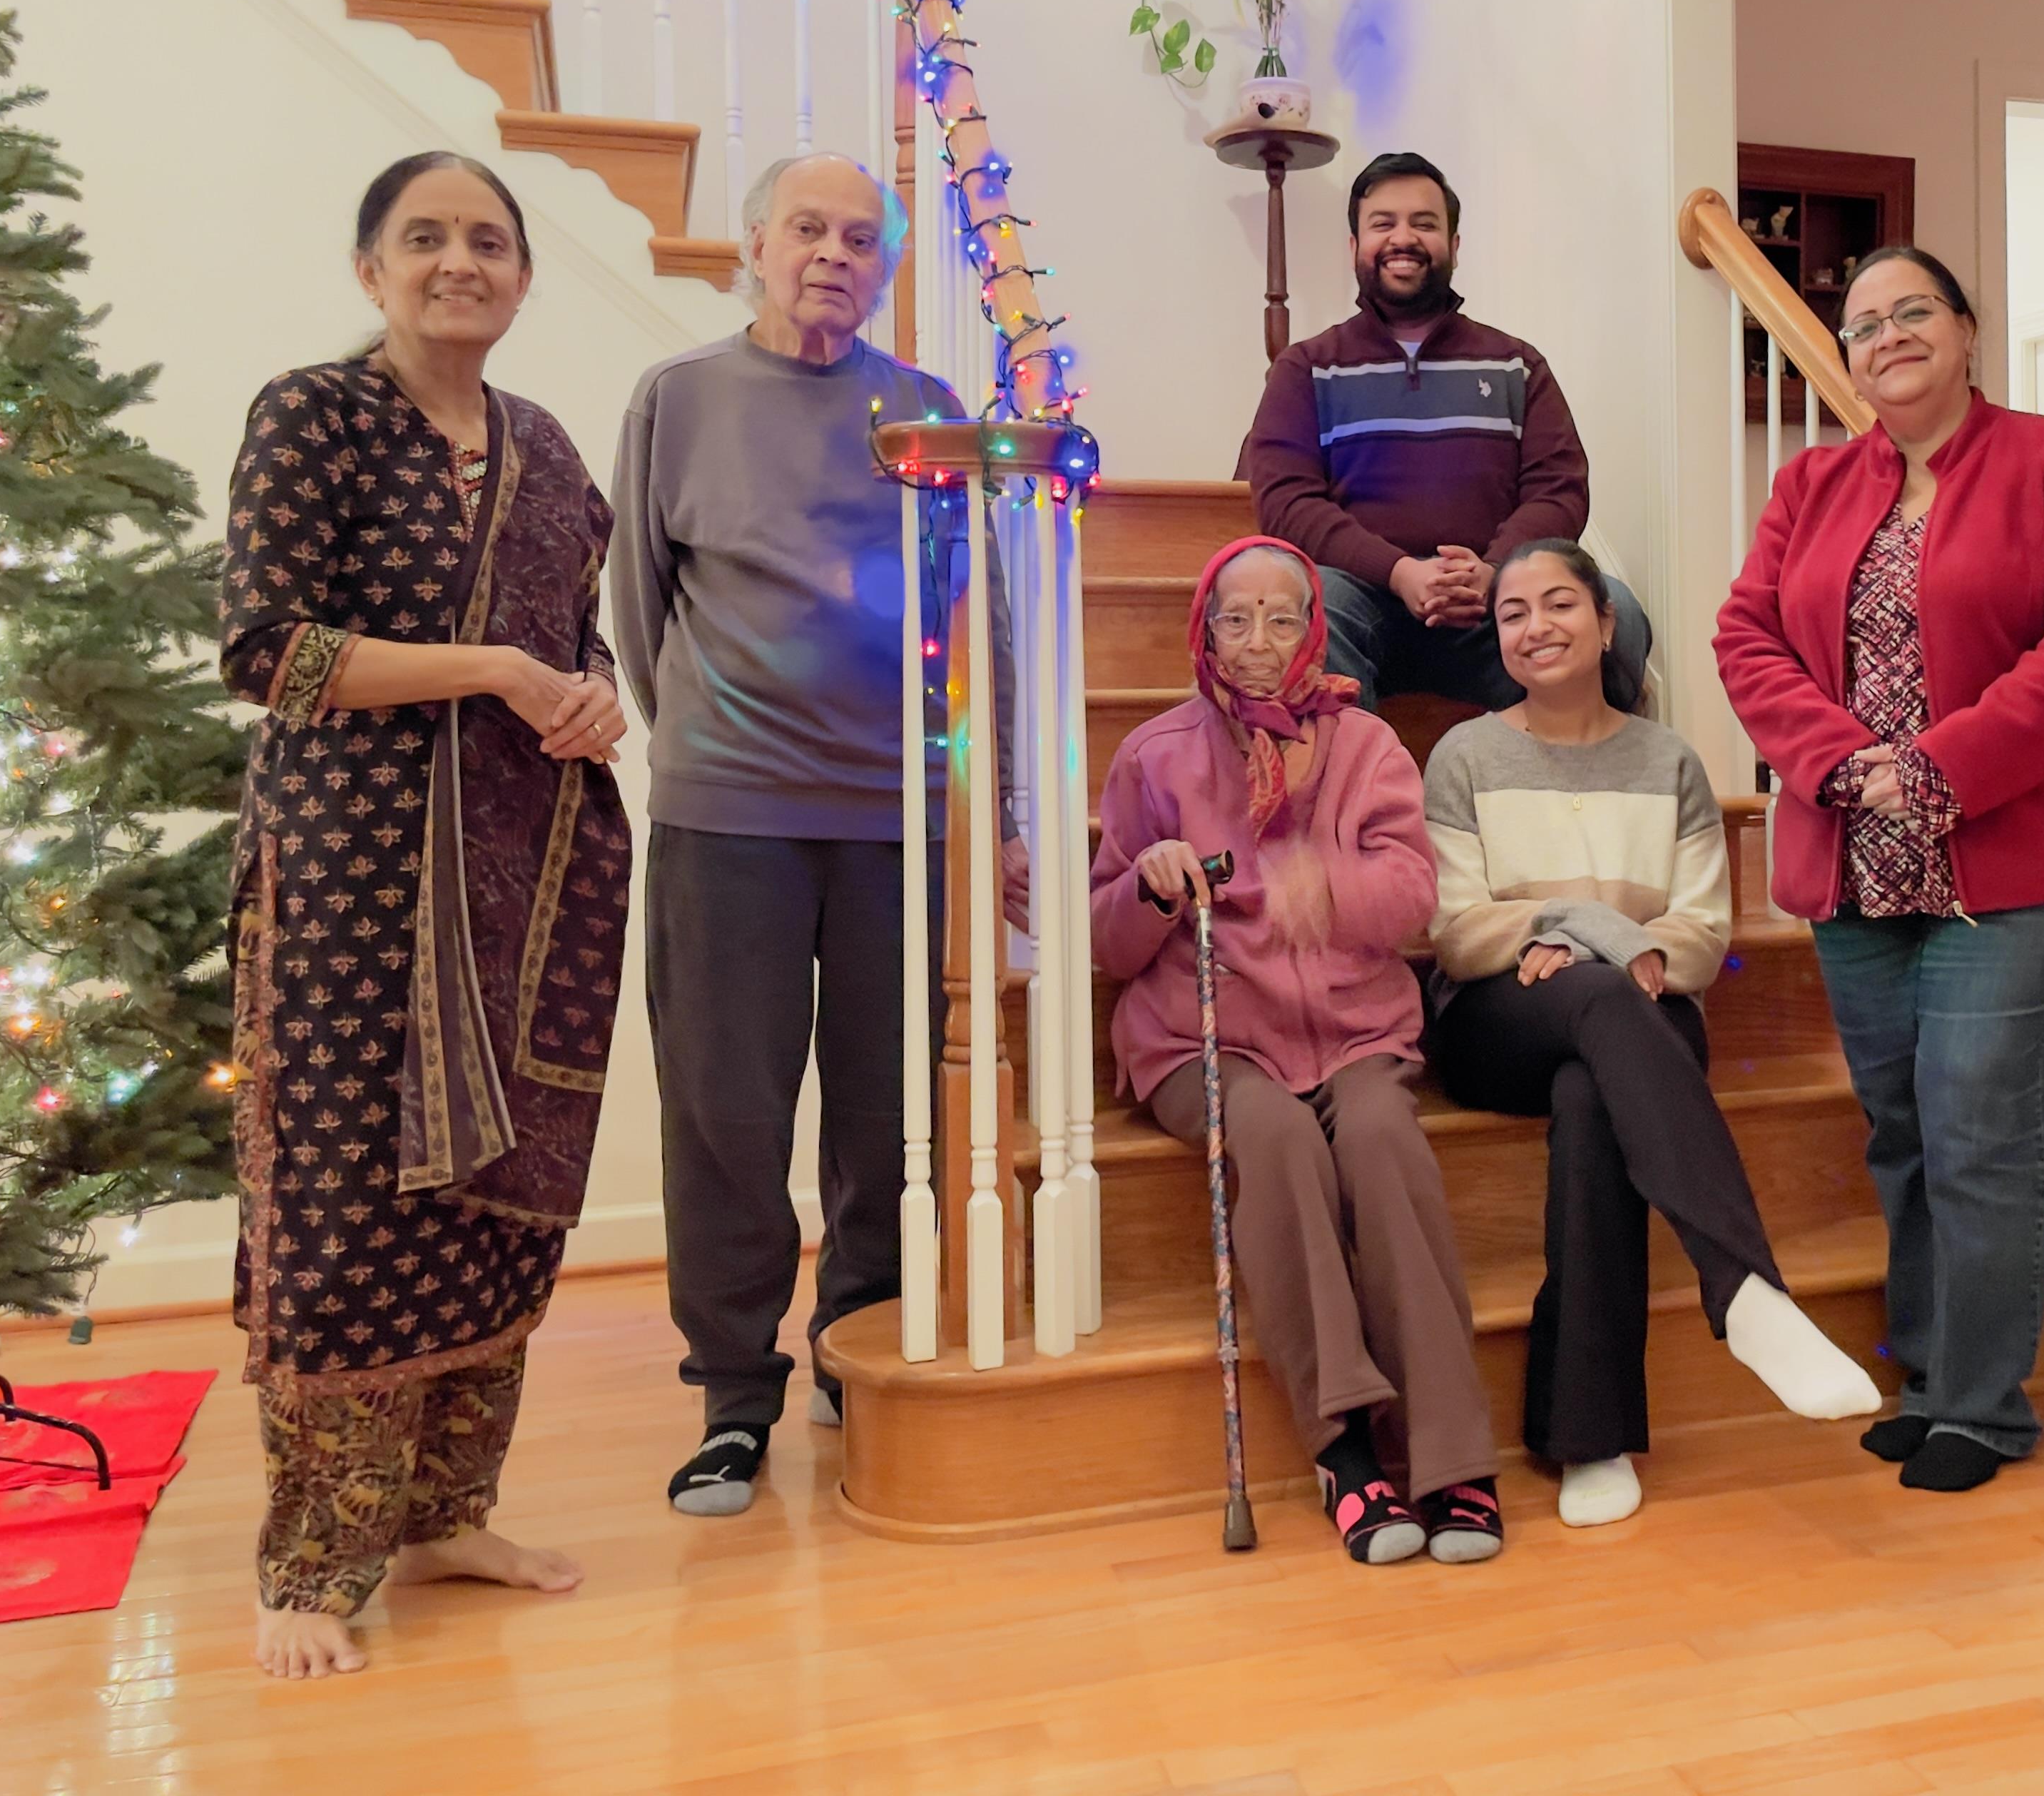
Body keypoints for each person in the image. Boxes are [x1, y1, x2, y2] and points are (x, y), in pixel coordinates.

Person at [220, 152, 630, 1679]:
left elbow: (566, 643)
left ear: (522, 276)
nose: (460, 262)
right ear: (370, 268)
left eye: (489, 241)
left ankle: (447, 1514)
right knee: (341, 1197)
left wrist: (587, 701)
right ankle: (317, 1562)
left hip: (524, 872)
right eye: (425, 238)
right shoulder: (310, 415)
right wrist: (498, 675)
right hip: (352, 873)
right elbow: (271, 652)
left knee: (494, 1190)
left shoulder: (543, 443)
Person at [610, 152, 1027, 1517]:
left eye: (863, 236)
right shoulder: (679, 399)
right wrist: (710, 747)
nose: (834, 254)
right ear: (754, 242)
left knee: (883, 1109)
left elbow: (983, 620)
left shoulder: (925, 411)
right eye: (809, 227)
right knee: (726, 1111)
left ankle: (859, 1342)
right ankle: (734, 1395)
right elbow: (640, 608)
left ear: (888, 264)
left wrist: (996, 800)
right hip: (726, 816)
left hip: (895, 825)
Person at [1714, 249, 2044, 1493]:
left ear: (1965, 329)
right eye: (1863, 324)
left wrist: (1940, 764)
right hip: (1854, 858)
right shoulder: (1810, 481)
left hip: (2009, 860)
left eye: (1914, 313)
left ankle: (1983, 1403)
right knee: (1901, 1128)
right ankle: (1927, 1375)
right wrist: (1842, 761)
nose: (1887, 336)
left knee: (1977, 1122)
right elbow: (1745, 637)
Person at [1423, 540, 1879, 1527]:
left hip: (1640, 1004)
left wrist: (1588, 941)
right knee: (1597, 1004)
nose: (1535, 626)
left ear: (1606, 622)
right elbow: (1456, 932)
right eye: (1512, 613)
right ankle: (1747, 1288)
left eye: (1557, 605)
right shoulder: (1464, 754)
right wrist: (1585, 935)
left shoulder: (1668, 760)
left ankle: (1587, 1438)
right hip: (1498, 1018)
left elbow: (1705, 931)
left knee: (1596, 1089)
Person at [1089, 538, 1502, 1564]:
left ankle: (1452, 1455)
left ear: (1314, 626)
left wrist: (1332, 889)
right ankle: (1345, 1446)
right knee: (1272, 1141)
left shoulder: (1368, 746)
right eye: (1237, 619)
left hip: (1359, 1030)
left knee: (1379, 1145)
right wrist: (1148, 882)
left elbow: (1412, 894)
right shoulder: (1154, 754)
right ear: (1206, 631)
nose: (1260, 642)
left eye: (1282, 618)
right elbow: (1104, 938)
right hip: (1205, 1039)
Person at [1242, 151, 1652, 714]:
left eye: (1425, 224)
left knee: (1619, 616)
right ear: (1354, 247)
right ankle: (1358, 794)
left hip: (1495, 604)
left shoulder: (1516, 364)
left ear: (1454, 246)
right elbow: (1286, 502)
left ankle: (1570, 786)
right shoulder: (1306, 368)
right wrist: (1399, 572)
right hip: (1363, 604)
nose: (1402, 238)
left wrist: (1497, 572)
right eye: (1383, 223)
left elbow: (1558, 488)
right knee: (1310, 607)